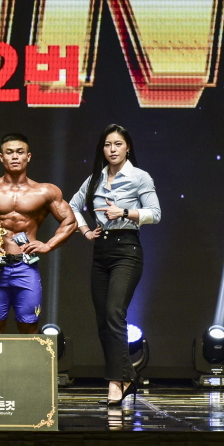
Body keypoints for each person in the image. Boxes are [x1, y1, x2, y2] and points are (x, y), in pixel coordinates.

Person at [70, 124, 160, 406]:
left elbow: (155, 214)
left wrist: (124, 212)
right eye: (108, 144)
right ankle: (125, 378)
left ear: (127, 147)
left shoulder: (139, 177)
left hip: (127, 249)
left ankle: (115, 382)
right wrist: (85, 230)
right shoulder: (95, 178)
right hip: (101, 250)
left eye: (118, 144)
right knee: (102, 321)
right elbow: (72, 206)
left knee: (114, 313)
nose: (112, 149)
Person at [0, 133, 76, 333]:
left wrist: (48, 245)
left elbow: (70, 221)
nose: (15, 156)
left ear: (28, 156)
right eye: (9, 152)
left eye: (20, 152)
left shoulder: (45, 191)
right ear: (1, 157)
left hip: (26, 265)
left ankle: (28, 356)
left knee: (29, 325)